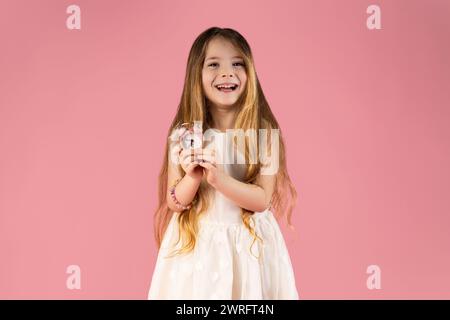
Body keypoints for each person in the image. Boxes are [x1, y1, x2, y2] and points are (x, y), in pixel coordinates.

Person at [148, 27, 299, 300]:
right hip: (199, 246)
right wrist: (192, 178)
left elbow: (262, 199)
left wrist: (218, 179)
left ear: (249, 73)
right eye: (214, 64)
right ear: (198, 74)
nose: (227, 72)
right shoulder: (184, 135)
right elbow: (174, 201)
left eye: (237, 63)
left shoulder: (263, 135)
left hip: (249, 247)